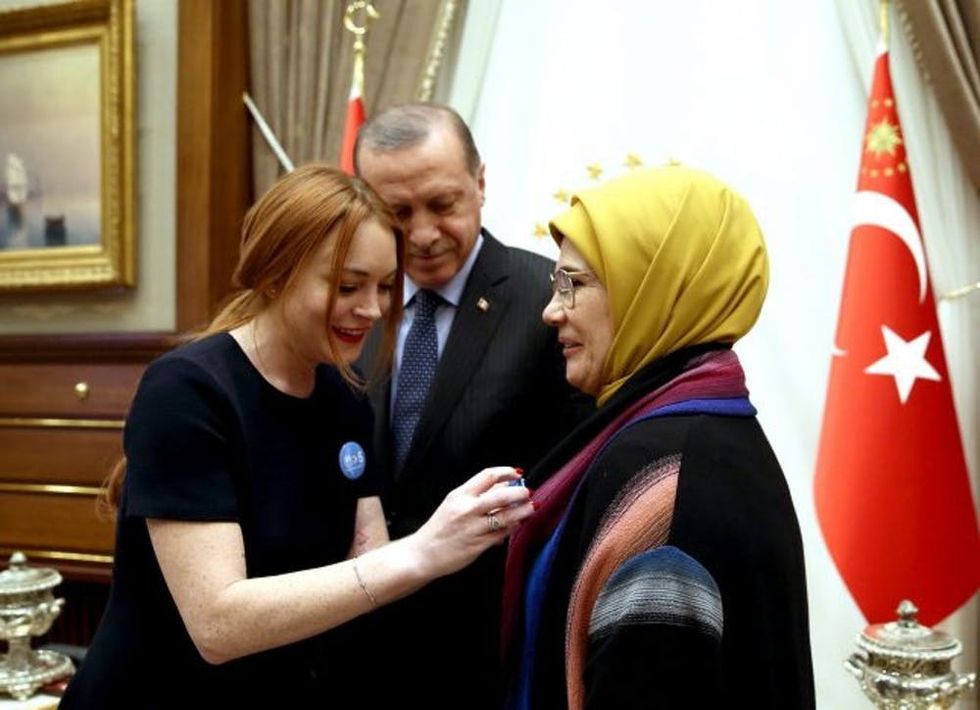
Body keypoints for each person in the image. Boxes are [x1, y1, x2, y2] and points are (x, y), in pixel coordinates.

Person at [59, 164, 533, 708]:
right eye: (347, 286)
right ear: (275, 275)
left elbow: (368, 569)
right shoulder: (188, 390)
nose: (372, 310)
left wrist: (459, 534)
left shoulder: (343, 394)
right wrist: (424, 549)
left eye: (383, 287)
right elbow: (218, 624)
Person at [500, 165, 816, 709]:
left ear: (653, 286)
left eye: (573, 283)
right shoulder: (709, 427)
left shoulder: (663, 475)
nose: (552, 311)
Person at [353, 103, 586, 707]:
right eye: (397, 213)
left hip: (493, 652)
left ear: (480, 183)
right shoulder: (348, 307)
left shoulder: (549, 302)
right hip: (357, 645)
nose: (423, 234)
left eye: (443, 204)